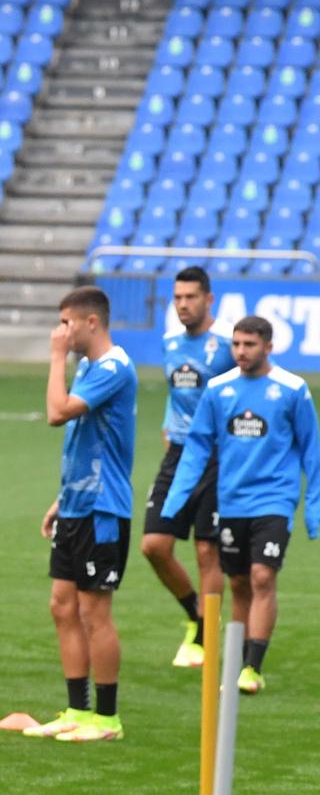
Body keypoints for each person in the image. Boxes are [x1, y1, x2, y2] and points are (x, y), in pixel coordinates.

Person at [162, 315, 320, 695]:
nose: (241, 352)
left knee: (263, 576)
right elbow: (198, 447)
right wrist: (175, 501)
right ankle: (237, 660)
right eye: (236, 345)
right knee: (237, 581)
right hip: (231, 501)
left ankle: (252, 666)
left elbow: (312, 451)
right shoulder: (218, 390)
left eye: (249, 345)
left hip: (274, 500)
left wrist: (313, 512)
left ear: (268, 346)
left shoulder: (292, 389)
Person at [26, 288, 136, 742]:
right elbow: (82, 441)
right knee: (62, 606)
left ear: (92, 322)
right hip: (76, 504)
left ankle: (107, 719)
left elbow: (57, 413)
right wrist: (60, 497)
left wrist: (55, 359)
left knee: (95, 613)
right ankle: (77, 710)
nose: (61, 331)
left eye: (67, 322)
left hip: (102, 508)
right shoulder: (92, 368)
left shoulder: (113, 366)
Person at [141, 266, 235, 668]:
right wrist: (167, 422)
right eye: (177, 298)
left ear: (208, 300)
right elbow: (176, 393)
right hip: (178, 455)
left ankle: (207, 635)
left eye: (190, 297)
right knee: (154, 546)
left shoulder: (229, 346)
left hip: (217, 457)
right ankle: (196, 612)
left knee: (205, 550)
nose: (182, 304)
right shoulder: (170, 344)